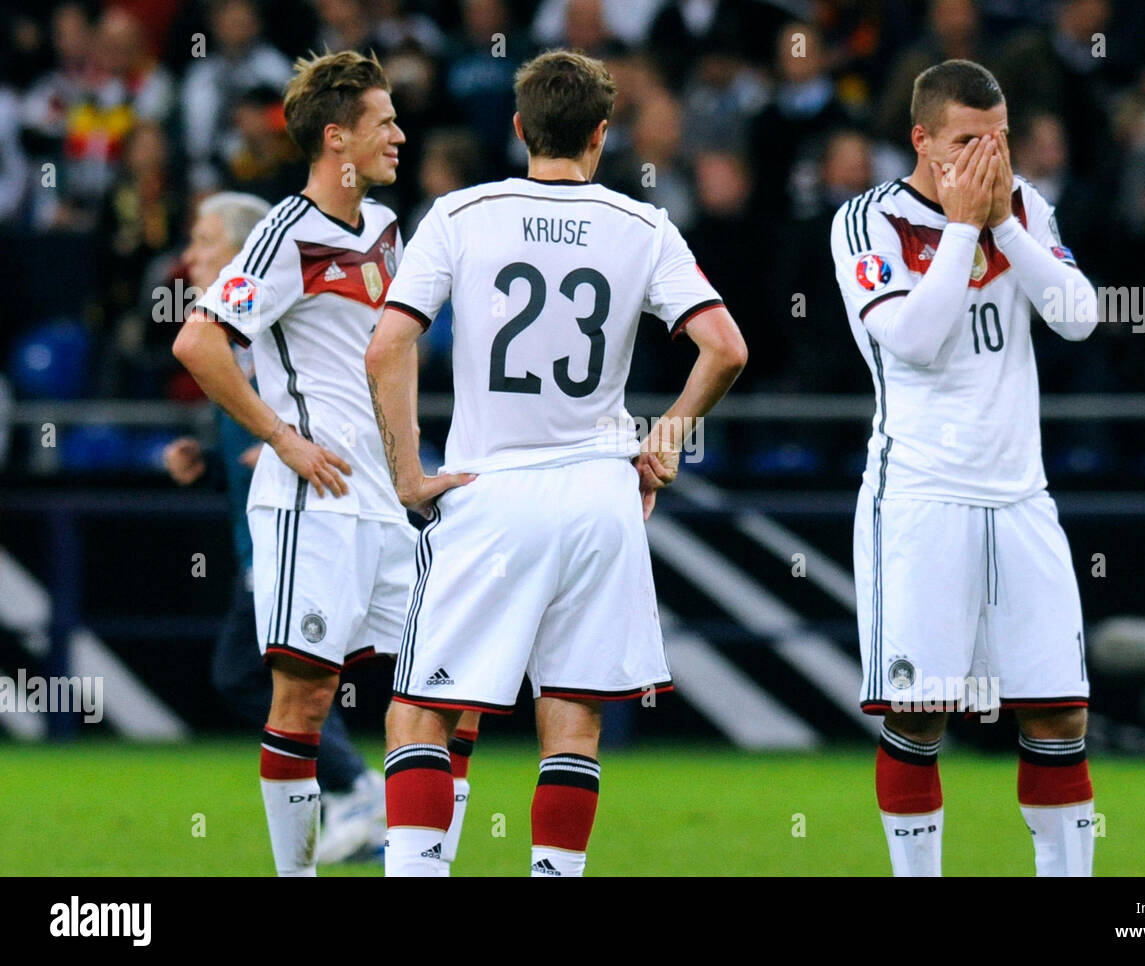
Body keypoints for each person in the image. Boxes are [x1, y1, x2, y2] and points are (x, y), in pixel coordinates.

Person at [366, 49, 746, 877]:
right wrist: (666, 442)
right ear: (603, 134)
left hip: (489, 488)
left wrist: (405, 472)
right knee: (572, 717)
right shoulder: (642, 225)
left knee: (421, 712)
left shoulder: (462, 214)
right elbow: (724, 348)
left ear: (517, 128)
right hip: (600, 495)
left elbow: (388, 342)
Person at [829, 59, 1099, 876]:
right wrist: (960, 228)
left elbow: (1079, 317)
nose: (989, 157)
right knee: (921, 714)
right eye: (968, 141)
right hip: (921, 497)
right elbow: (913, 339)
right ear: (922, 140)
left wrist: (1006, 226)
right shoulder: (865, 222)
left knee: (1059, 714)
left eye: (1001, 138)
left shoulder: (1025, 207)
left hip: (1021, 496)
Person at [172, 51, 414, 877]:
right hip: (314, 503)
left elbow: (392, 361)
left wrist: (414, 474)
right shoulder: (286, 233)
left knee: (437, 695)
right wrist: (281, 436)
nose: (400, 136)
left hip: (387, 503)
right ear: (337, 138)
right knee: (302, 699)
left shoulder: (386, 229)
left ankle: (417, 861)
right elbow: (198, 340)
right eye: (385, 122)